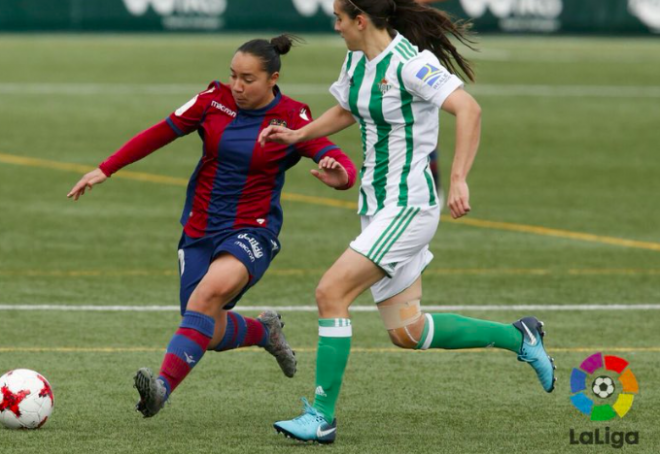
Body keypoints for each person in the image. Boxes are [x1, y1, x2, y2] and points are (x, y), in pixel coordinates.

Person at [259, 0, 556, 444]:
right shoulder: (357, 59)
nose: (335, 25)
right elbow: (348, 109)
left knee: (330, 292)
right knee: (407, 331)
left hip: (409, 206)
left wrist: (458, 180)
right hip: (376, 207)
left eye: (340, 17)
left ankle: (321, 416)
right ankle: (520, 337)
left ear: (361, 20)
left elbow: (469, 109)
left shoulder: (413, 65)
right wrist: (300, 135)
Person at [67, 35, 357, 418]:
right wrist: (105, 168)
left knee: (205, 301)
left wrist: (343, 175)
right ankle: (263, 331)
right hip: (199, 228)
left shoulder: (292, 117)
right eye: (233, 76)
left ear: (274, 78)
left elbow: (332, 154)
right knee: (205, 325)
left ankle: (160, 390)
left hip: (253, 231)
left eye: (248, 79)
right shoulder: (212, 100)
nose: (237, 86)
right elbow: (161, 131)